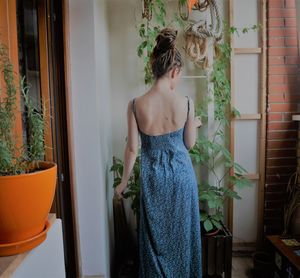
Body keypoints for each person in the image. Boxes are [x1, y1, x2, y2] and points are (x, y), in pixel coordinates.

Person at [114, 28, 202, 277]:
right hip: (181, 180)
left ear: (154, 67)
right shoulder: (186, 102)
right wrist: (192, 125)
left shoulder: (135, 105)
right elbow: (189, 144)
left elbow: (133, 148)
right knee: (182, 239)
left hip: (154, 181)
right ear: (174, 71)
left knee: (154, 245)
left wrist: (122, 183)